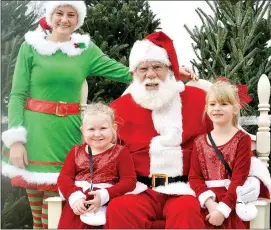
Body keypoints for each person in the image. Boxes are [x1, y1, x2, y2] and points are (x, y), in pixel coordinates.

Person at [1, 1, 199, 228]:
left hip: (68, 131)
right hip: (35, 130)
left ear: (78, 20)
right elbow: (17, 95)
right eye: (59, 13)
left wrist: (169, 71)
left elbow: (125, 72)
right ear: (50, 15)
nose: (64, 20)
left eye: (71, 15)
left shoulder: (85, 51)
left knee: (60, 199)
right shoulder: (30, 47)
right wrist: (16, 139)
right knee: (38, 212)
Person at [106, 31, 271, 229]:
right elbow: (105, 152)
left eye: (157, 67)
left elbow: (228, 137)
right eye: (143, 69)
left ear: (170, 70)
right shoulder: (119, 108)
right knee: (119, 208)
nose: (150, 74)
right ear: (134, 74)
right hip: (139, 189)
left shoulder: (197, 100)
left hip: (184, 188)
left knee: (187, 211)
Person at [189, 79, 259, 229]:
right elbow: (194, 177)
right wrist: (209, 203)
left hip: (229, 201)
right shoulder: (199, 141)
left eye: (223, 104)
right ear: (206, 108)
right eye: (213, 104)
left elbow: (239, 178)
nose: (217, 108)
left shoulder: (242, 139)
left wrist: (222, 210)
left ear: (235, 109)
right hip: (206, 202)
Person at [57, 102, 136, 229]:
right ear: (83, 130)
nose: (97, 134)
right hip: (79, 204)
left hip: (106, 205)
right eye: (91, 129)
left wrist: (105, 195)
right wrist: (74, 196)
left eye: (103, 128)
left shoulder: (121, 152)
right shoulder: (76, 151)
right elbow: (64, 178)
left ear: (113, 128)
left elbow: (129, 181)